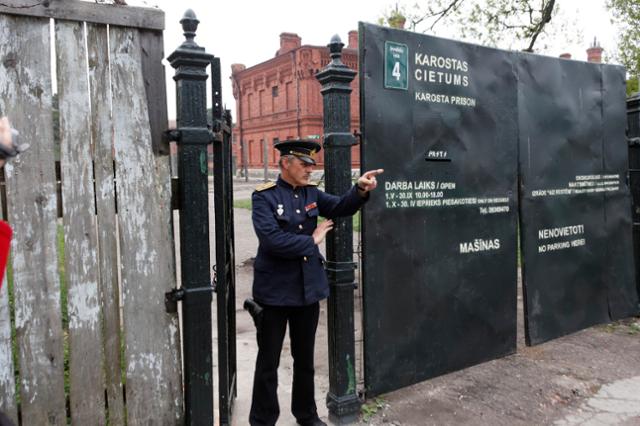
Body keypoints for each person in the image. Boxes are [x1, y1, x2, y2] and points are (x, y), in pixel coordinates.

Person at [249, 139, 383, 426]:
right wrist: (311, 240)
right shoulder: (264, 197)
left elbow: (340, 207)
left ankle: (306, 415)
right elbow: (272, 241)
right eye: (304, 164)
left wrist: (359, 189)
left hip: (306, 291)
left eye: (312, 164)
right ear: (285, 163)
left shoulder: (311, 192)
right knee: (268, 364)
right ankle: (262, 421)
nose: (310, 169)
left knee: (305, 361)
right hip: (273, 293)